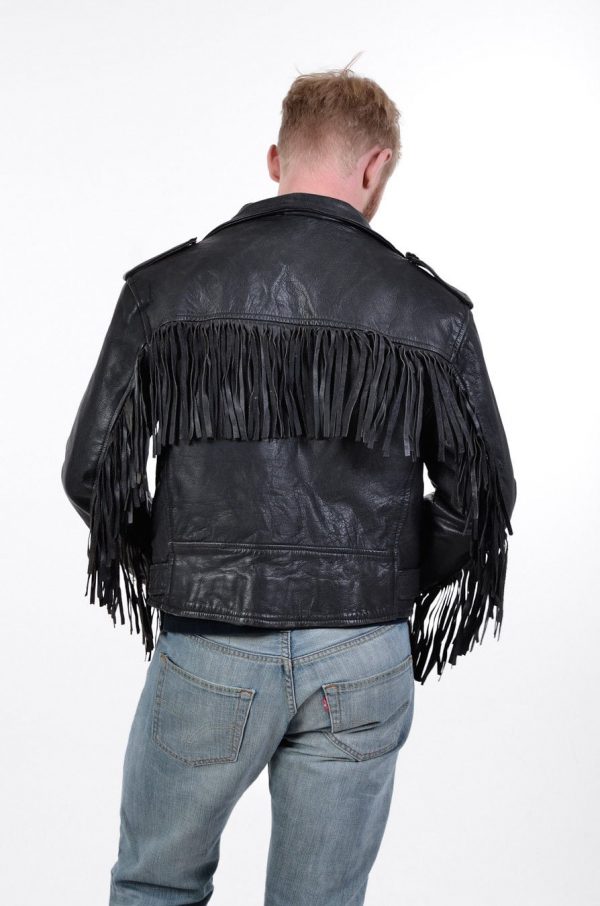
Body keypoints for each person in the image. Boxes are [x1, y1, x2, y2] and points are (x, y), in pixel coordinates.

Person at [61, 60, 517, 906]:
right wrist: (379, 579)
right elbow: (483, 502)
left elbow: (92, 472)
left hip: (210, 638)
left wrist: (190, 565)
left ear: (277, 159)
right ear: (377, 165)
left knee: (156, 886)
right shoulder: (430, 311)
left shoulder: (167, 290)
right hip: (363, 648)